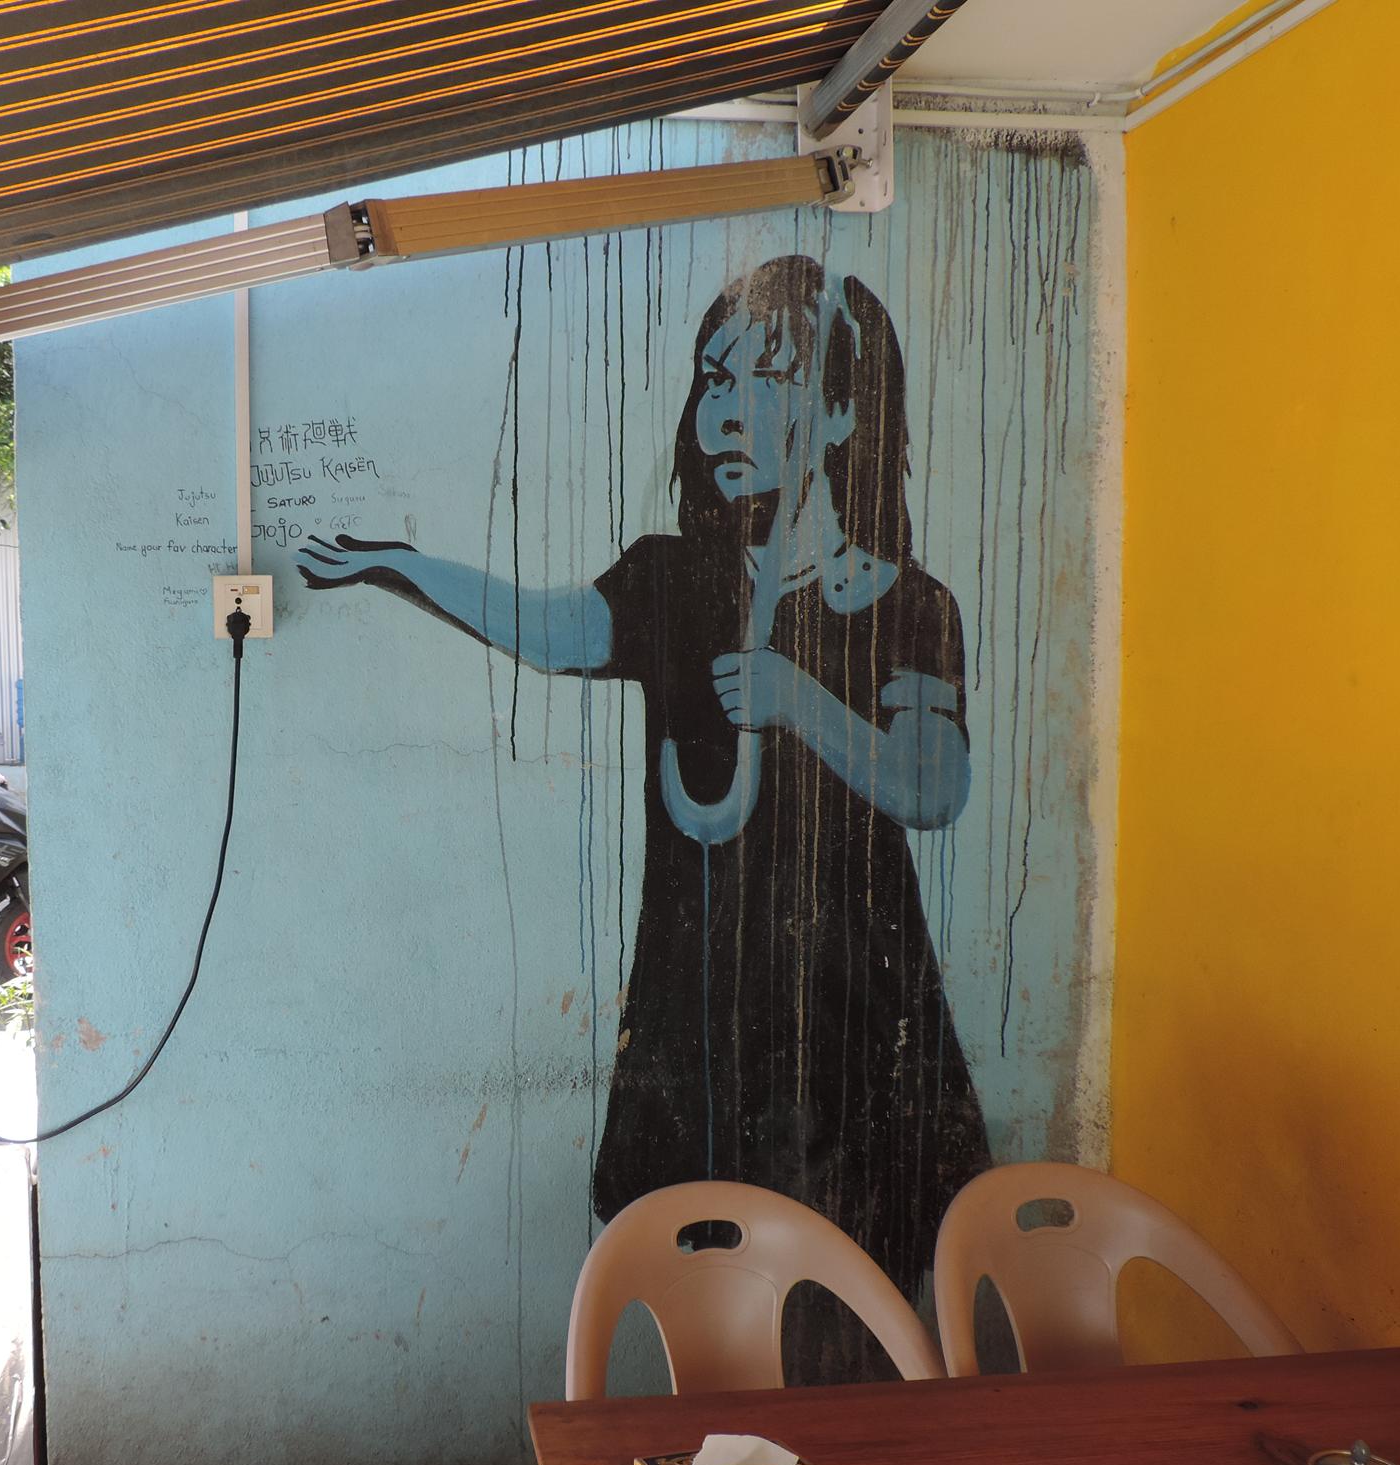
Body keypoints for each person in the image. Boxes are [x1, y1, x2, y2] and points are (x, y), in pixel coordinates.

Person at [298, 256, 990, 1380]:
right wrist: (401, 569)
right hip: (697, 1022)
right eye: (716, 381)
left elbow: (934, 784)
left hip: (857, 1029)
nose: (731, 411)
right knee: (709, 1322)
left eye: (770, 380)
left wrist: (800, 702)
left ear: (840, 413)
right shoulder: (672, 582)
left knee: (855, 1334)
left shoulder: (906, 604)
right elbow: (552, 630)